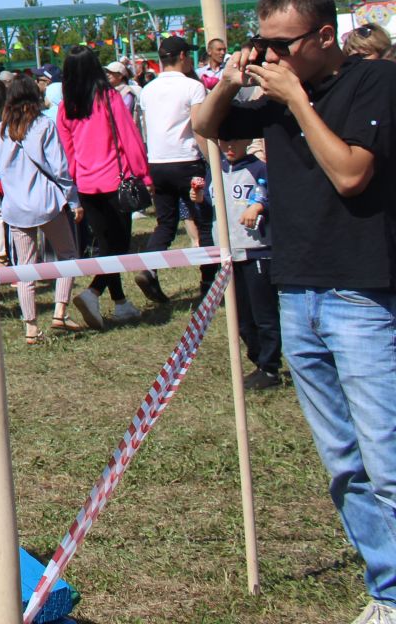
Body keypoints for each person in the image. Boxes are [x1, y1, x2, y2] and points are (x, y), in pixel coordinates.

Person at [194, 0, 396, 621]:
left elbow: (351, 173)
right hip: (297, 288)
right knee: (342, 463)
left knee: (387, 462)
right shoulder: (279, 87)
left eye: (280, 44)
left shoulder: (376, 84)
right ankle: (388, 590)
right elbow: (204, 125)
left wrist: (296, 102)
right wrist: (232, 76)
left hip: (362, 294)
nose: (270, 56)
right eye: (262, 43)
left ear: (324, 37)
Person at [0, 77, 97, 339]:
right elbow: (59, 168)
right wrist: (73, 200)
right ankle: (60, 311)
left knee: (24, 268)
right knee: (68, 255)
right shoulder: (44, 125)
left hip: (16, 206)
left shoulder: (1, 130)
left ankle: (31, 326)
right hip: (47, 202)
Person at [55, 46, 152, 325]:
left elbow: (67, 150)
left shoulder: (66, 107)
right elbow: (128, 138)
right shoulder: (109, 98)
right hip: (115, 181)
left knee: (108, 245)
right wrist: (143, 174)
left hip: (85, 185)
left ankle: (120, 303)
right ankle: (94, 292)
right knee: (118, 246)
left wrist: (73, 182)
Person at [134, 36, 217, 304]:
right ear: (182, 56)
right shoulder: (193, 87)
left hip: (157, 163)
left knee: (165, 223)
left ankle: (149, 268)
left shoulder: (147, 90)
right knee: (205, 221)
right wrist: (212, 161)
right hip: (188, 161)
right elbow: (199, 126)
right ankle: (208, 281)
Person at [222, 138, 280, 390]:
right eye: (224, 142)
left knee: (263, 314)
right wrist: (198, 198)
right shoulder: (216, 169)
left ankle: (269, 368)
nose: (229, 147)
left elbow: (272, 197)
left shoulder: (259, 169)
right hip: (228, 254)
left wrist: (259, 205)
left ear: (247, 141)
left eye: (235, 141)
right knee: (241, 317)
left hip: (257, 252)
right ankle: (257, 360)